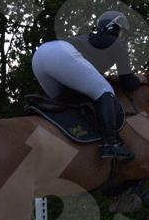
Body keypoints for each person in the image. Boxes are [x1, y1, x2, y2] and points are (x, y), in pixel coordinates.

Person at [31, 9, 142, 162]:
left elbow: (84, 76)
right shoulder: (117, 44)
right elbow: (128, 82)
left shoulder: (90, 40)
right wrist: (139, 80)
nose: (123, 36)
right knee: (105, 90)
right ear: (115, 28)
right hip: (60, 54)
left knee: (66, 102)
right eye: (122, 31)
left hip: (40, 57)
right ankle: (112, 143)